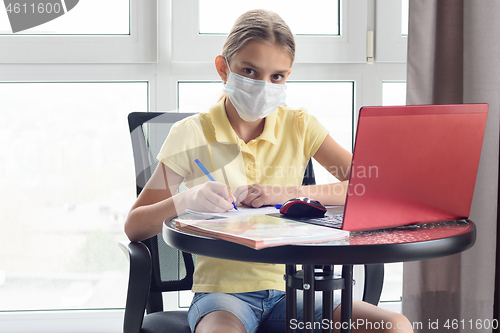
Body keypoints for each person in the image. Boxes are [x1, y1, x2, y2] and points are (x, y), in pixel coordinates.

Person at [124, 9, 413, 333]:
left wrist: (289, 192)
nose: (263, 86)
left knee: (394, 326)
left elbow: (369, 187)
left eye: (277, 76)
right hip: (222, 297)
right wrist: (186, 199)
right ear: (224, 68)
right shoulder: (190, 133)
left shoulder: (300, 125)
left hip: (296, 291)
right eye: (249, 71)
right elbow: (134, 226)